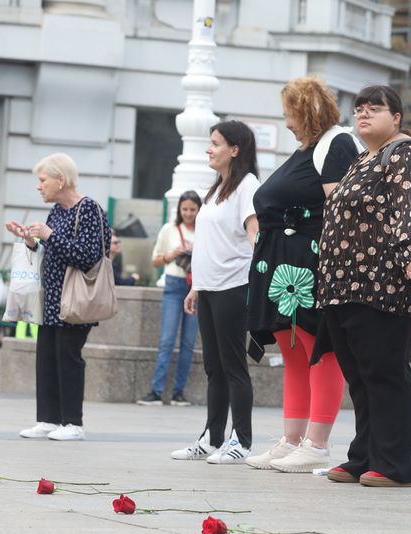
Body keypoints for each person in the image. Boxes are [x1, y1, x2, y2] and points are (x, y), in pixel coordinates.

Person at [316, 85, 411, 487]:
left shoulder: (405, 154)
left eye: (375, 109)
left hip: (383, 284)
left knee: (385, 373)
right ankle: (364, 455)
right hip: (346, 285)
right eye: (359, 109)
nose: (364, 115)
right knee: (360, 376)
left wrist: (408, 260)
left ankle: (395, 464)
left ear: (397, 117)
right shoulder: (362, 157)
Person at [244, 76, 359, 473]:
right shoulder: (306, 150)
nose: (287, 123)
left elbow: (344, 208)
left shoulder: (336, 143)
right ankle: (292, 439)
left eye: (289, 115)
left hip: (307, 265)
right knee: (294, 353)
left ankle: (317, 442)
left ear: (305, 110)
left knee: (317, 350)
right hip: (282, 267)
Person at [6, 153, 112, 442]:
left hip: (75, 298)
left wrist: (50, 235)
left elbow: (90, 256)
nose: (39, 187)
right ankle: (48, 419)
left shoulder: (89, 209)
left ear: (60, 179)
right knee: (47, 357)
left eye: (42, 180)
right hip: (51, 298)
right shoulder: (57, 211)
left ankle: (73, 423)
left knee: (68, 357)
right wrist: (31, 241)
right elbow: (50, 253)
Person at [171, 121, 260, 464]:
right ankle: (212, 438)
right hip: (208, 288)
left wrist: (258, 284)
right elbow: (208, 243)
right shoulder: (215, 189)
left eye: (215, 143)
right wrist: (196, 286)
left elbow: (256, 238)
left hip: (234, 286)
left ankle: (242, 441)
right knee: (214, 367)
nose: (209, 149)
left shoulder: (247, 186)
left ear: (235, 149)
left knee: (233, 365)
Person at [138, 190, 201, 407]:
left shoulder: (205, 230)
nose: (189, 213)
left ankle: (178, 393)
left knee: (188, 343)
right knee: (166, 341)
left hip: (196, 287)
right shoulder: (169, 229)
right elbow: (155, 261)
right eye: (185, 209)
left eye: (193, 209)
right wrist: (171, 255)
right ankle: (156, 391)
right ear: (179, 209)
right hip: (174, 285)